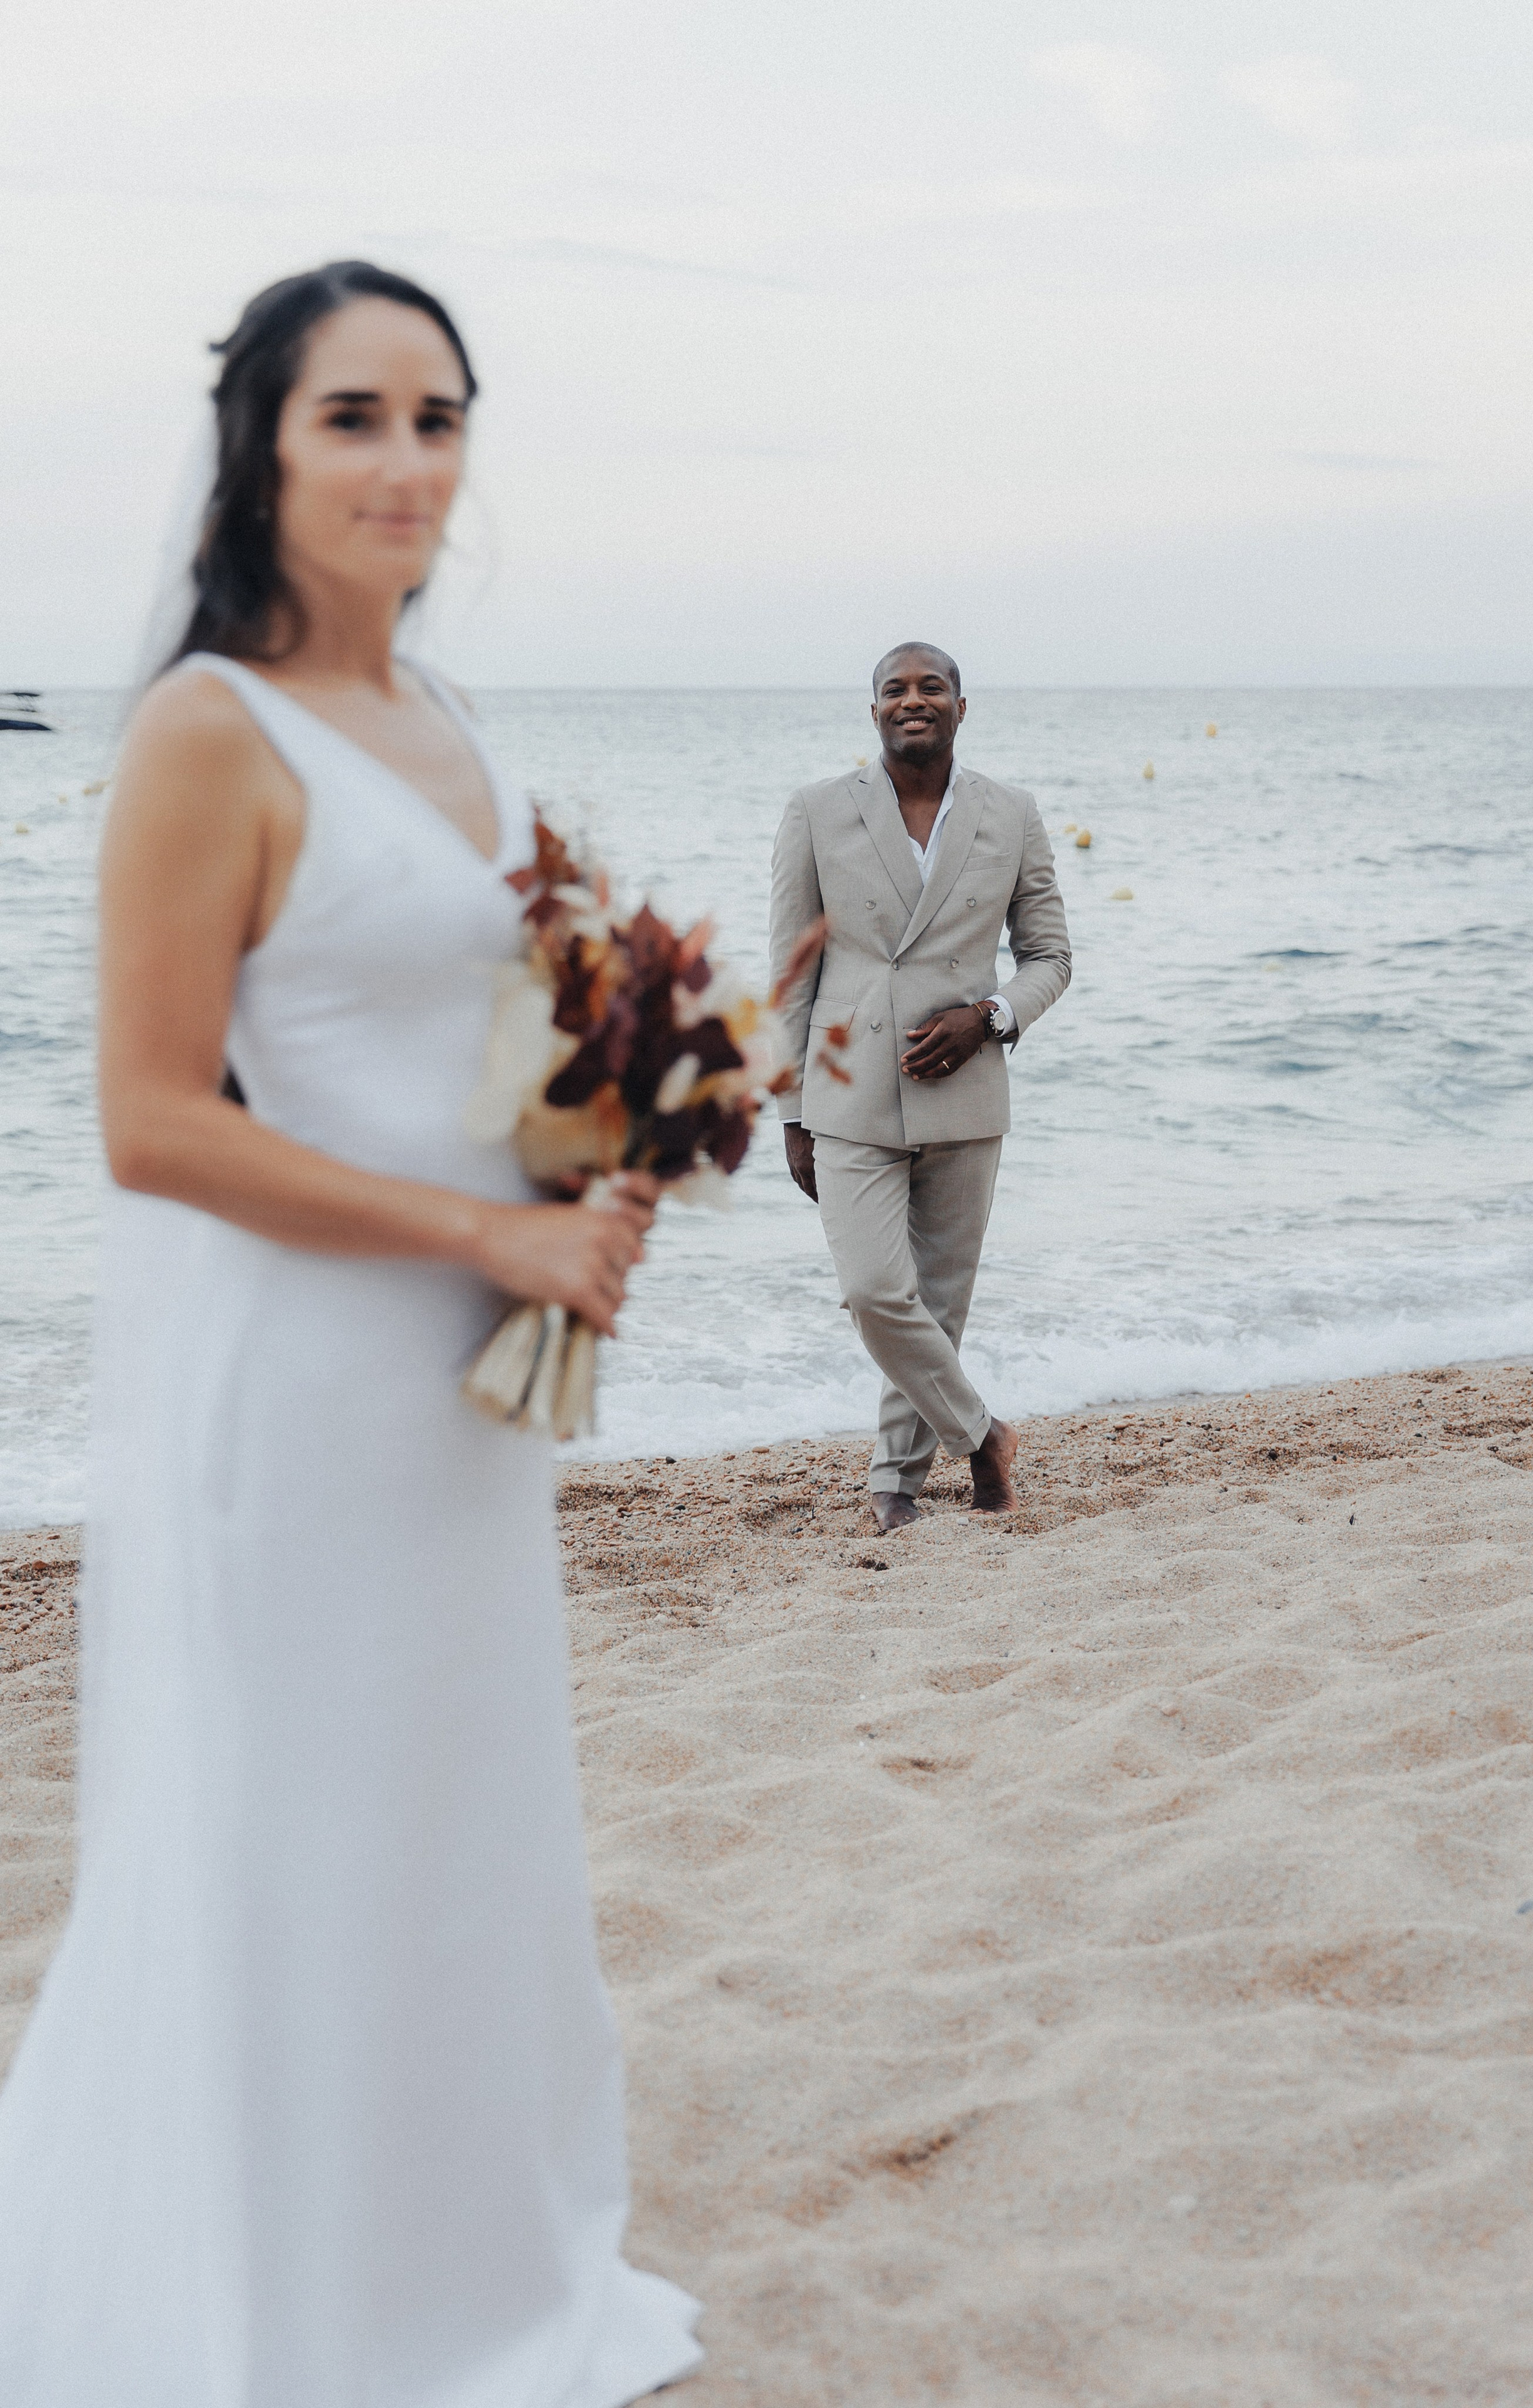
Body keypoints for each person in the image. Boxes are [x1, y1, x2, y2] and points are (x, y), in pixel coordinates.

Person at [0, 262, 702, 2405]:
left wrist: (605, 1151)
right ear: (263, 452)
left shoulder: (447, 722)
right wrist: (472, 1241)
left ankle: (462, 2279)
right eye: (358, 419)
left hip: (458, 1406)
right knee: (291, 1831)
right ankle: (285, 2312)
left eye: (441, 418)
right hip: (299, 1389)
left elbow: (477, 1031)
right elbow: (149, 1124)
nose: (411, 463)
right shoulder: (210, 731)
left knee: (452, 1822)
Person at [769, 643, 1072, 1534]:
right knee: (873, 1290)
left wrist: (991, 1016)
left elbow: (1049, 957)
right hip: (846, 1091)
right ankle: (983, 1437)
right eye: (894, 690)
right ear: (872, 713)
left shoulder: (1010, 815)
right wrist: (790, 1110)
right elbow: (794, 971)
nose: (913, 701)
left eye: (930, 687)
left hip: (967, 1091)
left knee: (939, 1300)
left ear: (961, 707)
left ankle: (894, 1484)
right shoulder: (818, 811)